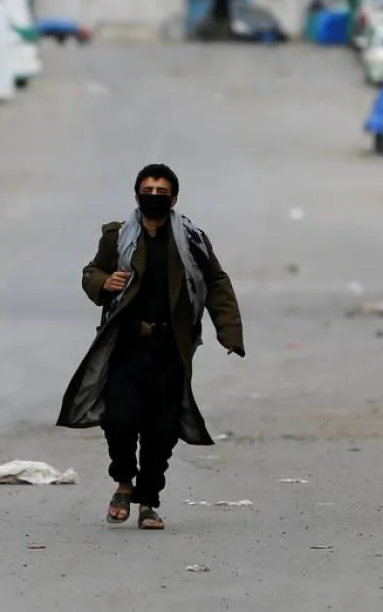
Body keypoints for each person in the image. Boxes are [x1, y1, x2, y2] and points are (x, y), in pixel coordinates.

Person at [57, 163, 245, 531]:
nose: (154, 197)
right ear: (136, 195)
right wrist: (104, 282)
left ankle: (148, 501)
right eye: (148, 190)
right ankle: (124, 482)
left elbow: (216, 283)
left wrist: (229, 332)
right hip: (126, 346)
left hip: (170, 348)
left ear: (174, 198)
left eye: (162, 192)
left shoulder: (191, 241)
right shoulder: (117, 237)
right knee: (119, 420)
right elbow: (90, 272)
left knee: (162, 431)